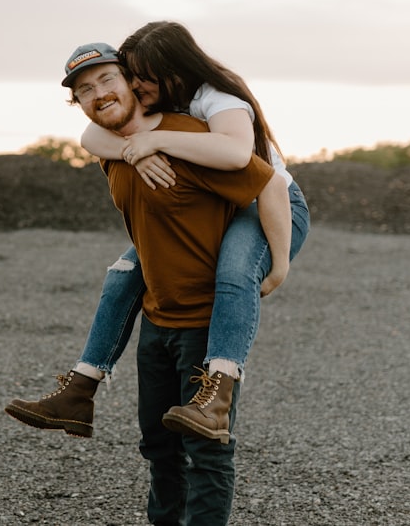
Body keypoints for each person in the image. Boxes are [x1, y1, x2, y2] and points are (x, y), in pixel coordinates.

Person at [5, 23, 309, 442]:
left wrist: (279, 267)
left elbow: (246, 162)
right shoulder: (165, 107)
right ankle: (80, 389)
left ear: (172, 69)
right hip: (225, 202)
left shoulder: (217, 100)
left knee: (235, 272)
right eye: (132, 74)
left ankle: (218, 393)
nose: (137, 84)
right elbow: (91, 136)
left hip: (269, 205)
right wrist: (135, 152)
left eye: (141, 74)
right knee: (123, 274)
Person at [32, 42, 275, 523]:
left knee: (206, 452)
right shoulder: (112, 147)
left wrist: (280, 261)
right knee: (159, 449)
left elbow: (266, 183)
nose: (98, 94)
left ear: (135, 85)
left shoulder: (190, 134)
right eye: (84, 90)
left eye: (106, 80)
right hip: (157, 321)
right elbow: (102, 141)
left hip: (206, 321)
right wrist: (134, 149)